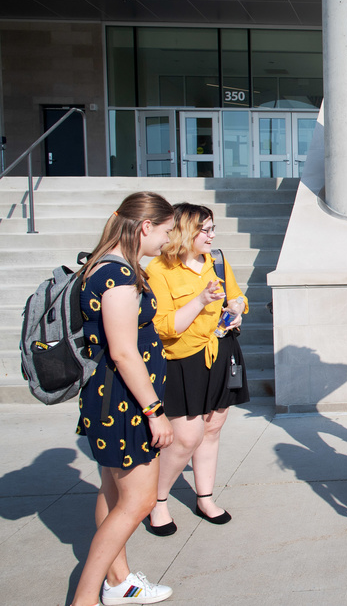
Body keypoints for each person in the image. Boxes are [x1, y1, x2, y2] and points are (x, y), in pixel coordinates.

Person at [71, 192, 176, 606]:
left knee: (113, 495)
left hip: (110, 398)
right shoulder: (118, 275)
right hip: (124, 404)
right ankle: (85, 598)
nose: (167, 241)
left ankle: (120, 584)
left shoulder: (102, 266)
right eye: (166, 232)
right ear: (145, 227)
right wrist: (155, 412)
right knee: (139, 501)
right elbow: (123, 351)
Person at [145, 203, 250, 535]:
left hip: (220, 351)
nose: (212, 235)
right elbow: (164, 327)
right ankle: (156, 503)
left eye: (212, 228)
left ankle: (204, 497)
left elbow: (238, 297)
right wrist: (201, 301)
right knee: (186, 437)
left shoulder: (215, 261)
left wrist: (236, 307)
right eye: (205, 229)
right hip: (181, 361)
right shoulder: (158, 270)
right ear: (184, 231)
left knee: (213, 428)